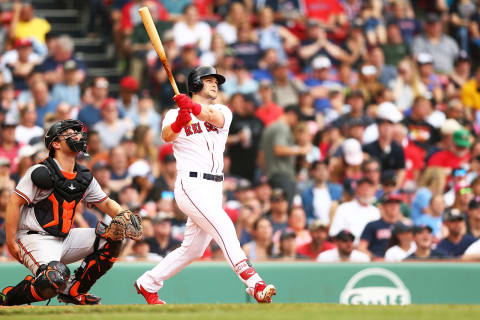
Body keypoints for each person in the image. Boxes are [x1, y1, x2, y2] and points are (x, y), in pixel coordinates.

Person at [134, 66, 276, 304]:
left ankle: (147, 282)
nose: (214, 85)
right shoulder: (172, 114)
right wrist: (180, 120)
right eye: (209, 80)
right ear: (196, 84)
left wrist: (192, 109)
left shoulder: (223, 110)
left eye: (216, 81)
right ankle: (255, 284)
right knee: (223, 225)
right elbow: (167, 137)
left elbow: (211, 117)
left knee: (194, 249)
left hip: (213, 187)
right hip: (190, 183)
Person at [0, 120, 142, 306]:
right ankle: (9, 298)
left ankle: (75, 291)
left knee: (112, 238)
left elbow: (105, 202)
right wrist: (11, 241)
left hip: (65, 238)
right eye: (69, 133)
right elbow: (14, 202)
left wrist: (124, 214)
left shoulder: (84, 175)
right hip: (35, 238)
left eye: (77, 133)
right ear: (56, 144)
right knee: (53, 279)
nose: (77, 136)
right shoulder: (41, 171)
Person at [358, 193, 403, 258]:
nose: (394, 206)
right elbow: (361, 247)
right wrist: (374, 257)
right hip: (377, 263)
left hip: (399, 262)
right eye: (390, 204)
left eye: (396, 204)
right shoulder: (372, 225)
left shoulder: (404, 226)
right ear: (383, 206)